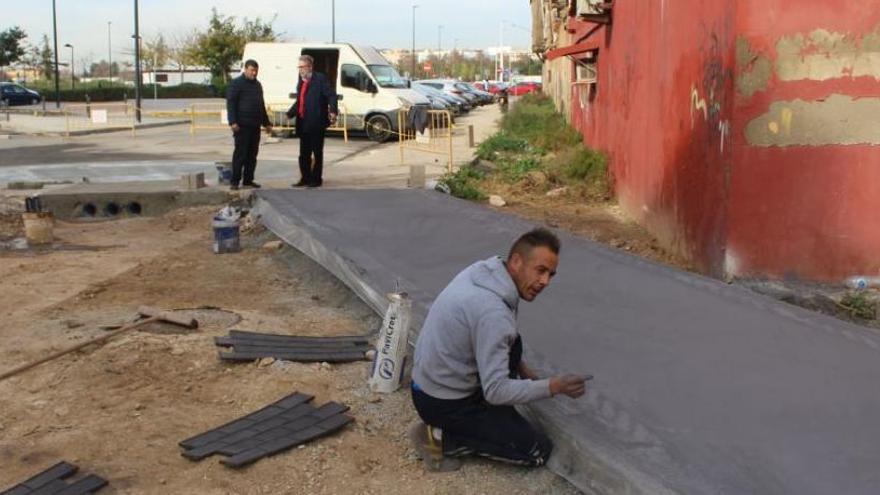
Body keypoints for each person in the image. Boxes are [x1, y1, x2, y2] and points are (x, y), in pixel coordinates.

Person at [410, 228, 588, 471]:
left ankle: (489, 419)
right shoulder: (493, 312)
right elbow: (495, 391)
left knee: (514, 343)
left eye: (551, 274)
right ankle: (440, 438)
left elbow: (500, 337)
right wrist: (553, 386)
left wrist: (522, 369)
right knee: (537, 450)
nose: (545, 281)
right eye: (540, 270)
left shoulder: (486, 271)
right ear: (516, 261)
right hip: (442, 402)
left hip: (429, 383)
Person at [286, 55, 338, 188]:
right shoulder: (301, 81)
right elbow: (300, 100)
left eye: (302, 67)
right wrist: (290, 113)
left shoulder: (320, 79)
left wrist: (333, 111)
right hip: (303, 122)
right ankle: (305, 177)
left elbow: (331, 95)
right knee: (304, 154)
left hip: (316, 122)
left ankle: (316, 179)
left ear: (309, 67)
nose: (300, 70)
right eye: (299, 67)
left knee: (317, 152)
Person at [226, 59, 272, 191]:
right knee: (241, 154)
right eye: (252, 70)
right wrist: (233, 121)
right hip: (241, 126)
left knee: (252, 154)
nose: (254, 73)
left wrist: (266, 123)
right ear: (245, 69)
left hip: (254, 125)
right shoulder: (236, 84)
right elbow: (231, 104)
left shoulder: (257, 85)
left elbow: (261, 106)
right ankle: (235, 181)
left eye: (256, 70)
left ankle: (248, 180)